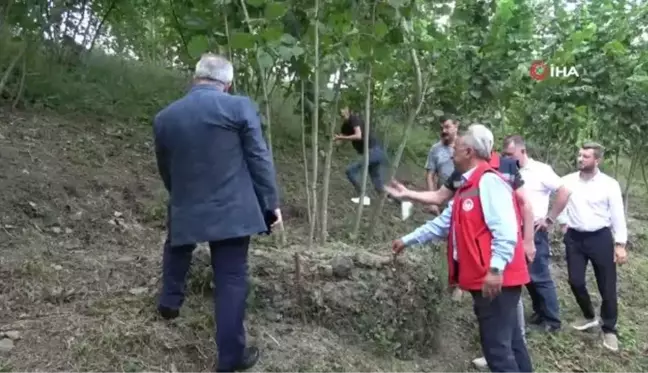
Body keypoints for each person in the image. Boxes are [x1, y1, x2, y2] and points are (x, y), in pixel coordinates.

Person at [153, 53, 282, 373]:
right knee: (231, 278)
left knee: (178, 244)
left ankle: (169, 303)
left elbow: (164, 166)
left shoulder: (165, 117)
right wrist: (270, 202)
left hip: (187, 202)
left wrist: (178, 194)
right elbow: (258, 157)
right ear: (228, 83)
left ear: (195, 78)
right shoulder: (238, 106)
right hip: (232, 210)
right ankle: (229, 359)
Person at [392, 124, 532, 373]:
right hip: (489, 279)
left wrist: (496, 268)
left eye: (455, 149)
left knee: (497, 351)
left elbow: (507, 230)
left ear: (469, 152)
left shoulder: (488, 181)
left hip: (494, 280)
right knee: (511, 343)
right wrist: (407, 239)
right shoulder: (467, 188)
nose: (451, 154)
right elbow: (443, 223)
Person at [557, 142, 628, 352]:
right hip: (575, 238)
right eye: (579, 155)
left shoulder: (609, 184)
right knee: (575, 280)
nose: (581, 159)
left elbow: (617, 215)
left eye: (586, 156)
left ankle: (609, 329)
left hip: (600, 237)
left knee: (607, 285)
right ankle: (589, 315)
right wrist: (563, 223)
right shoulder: (567, 181)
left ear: (597, 160)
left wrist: (620, 244)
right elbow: (559, 201)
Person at [502, 135, 570, 332]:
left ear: (522, 151)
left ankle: (552, 320)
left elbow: (564, 191)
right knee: (528, 276)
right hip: (515, 229)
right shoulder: (506, 171)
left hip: (534, 230)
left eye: (510, 154)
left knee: (539, 275)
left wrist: (550, 218)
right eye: (505, 154)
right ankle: (540, 312)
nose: (507, 158)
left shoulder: (540, 170)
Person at [335, 106, 388, 206]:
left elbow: (358, 135)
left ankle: (364, 196)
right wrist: (334, 140)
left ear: (348, 110)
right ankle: (399, 200)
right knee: (376, 180)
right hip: (372, 153)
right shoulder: (345, 126)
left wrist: (341, 137)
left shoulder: (354, 119)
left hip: (373, 151)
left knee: (350, 171)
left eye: (344, 109)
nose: (342, 113)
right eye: (340, 112)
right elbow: (341, 141)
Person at [424, 117, 459, 214]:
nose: (444, 131)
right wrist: (432, 202)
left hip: (462, 201)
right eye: (442, 128)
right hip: (443, 201)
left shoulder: (464, 147)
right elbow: (430, 175)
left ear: (456, 126)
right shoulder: (435, 149)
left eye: (447, 127)